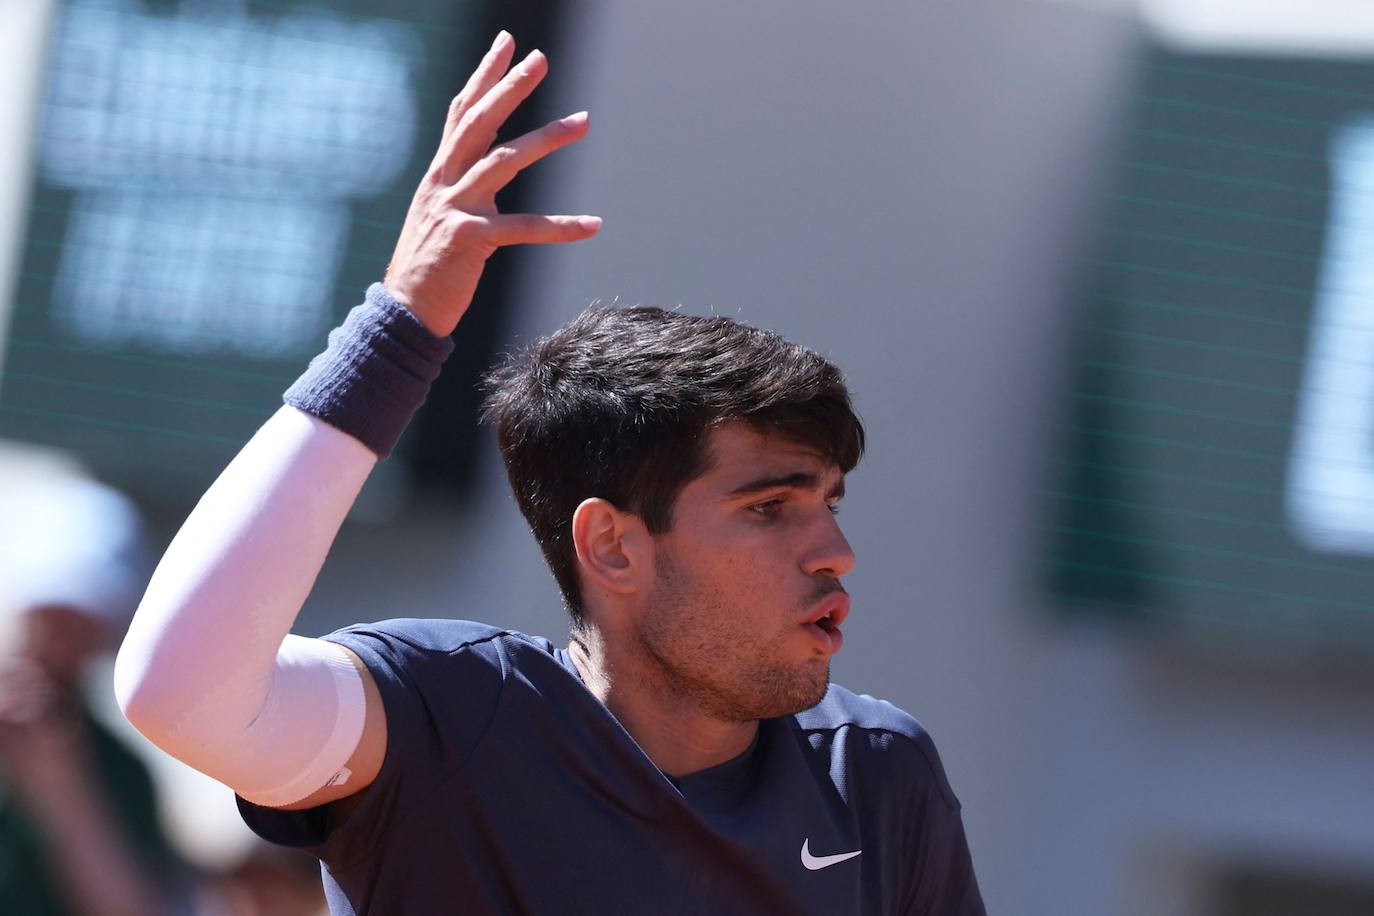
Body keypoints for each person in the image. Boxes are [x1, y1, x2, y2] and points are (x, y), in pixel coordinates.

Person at [114, 31, 985, 915]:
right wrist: (396, 331)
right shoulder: (447, 714)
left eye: (829, 503)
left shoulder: (879, 772)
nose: (834, 551)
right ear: (611, 546)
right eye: (768, 508)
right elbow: (182, 694)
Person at [0, 472, 187, 916]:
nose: (62, 638)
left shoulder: (119, 770)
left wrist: (61, 790)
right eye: (50, 613)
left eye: (82, 617)